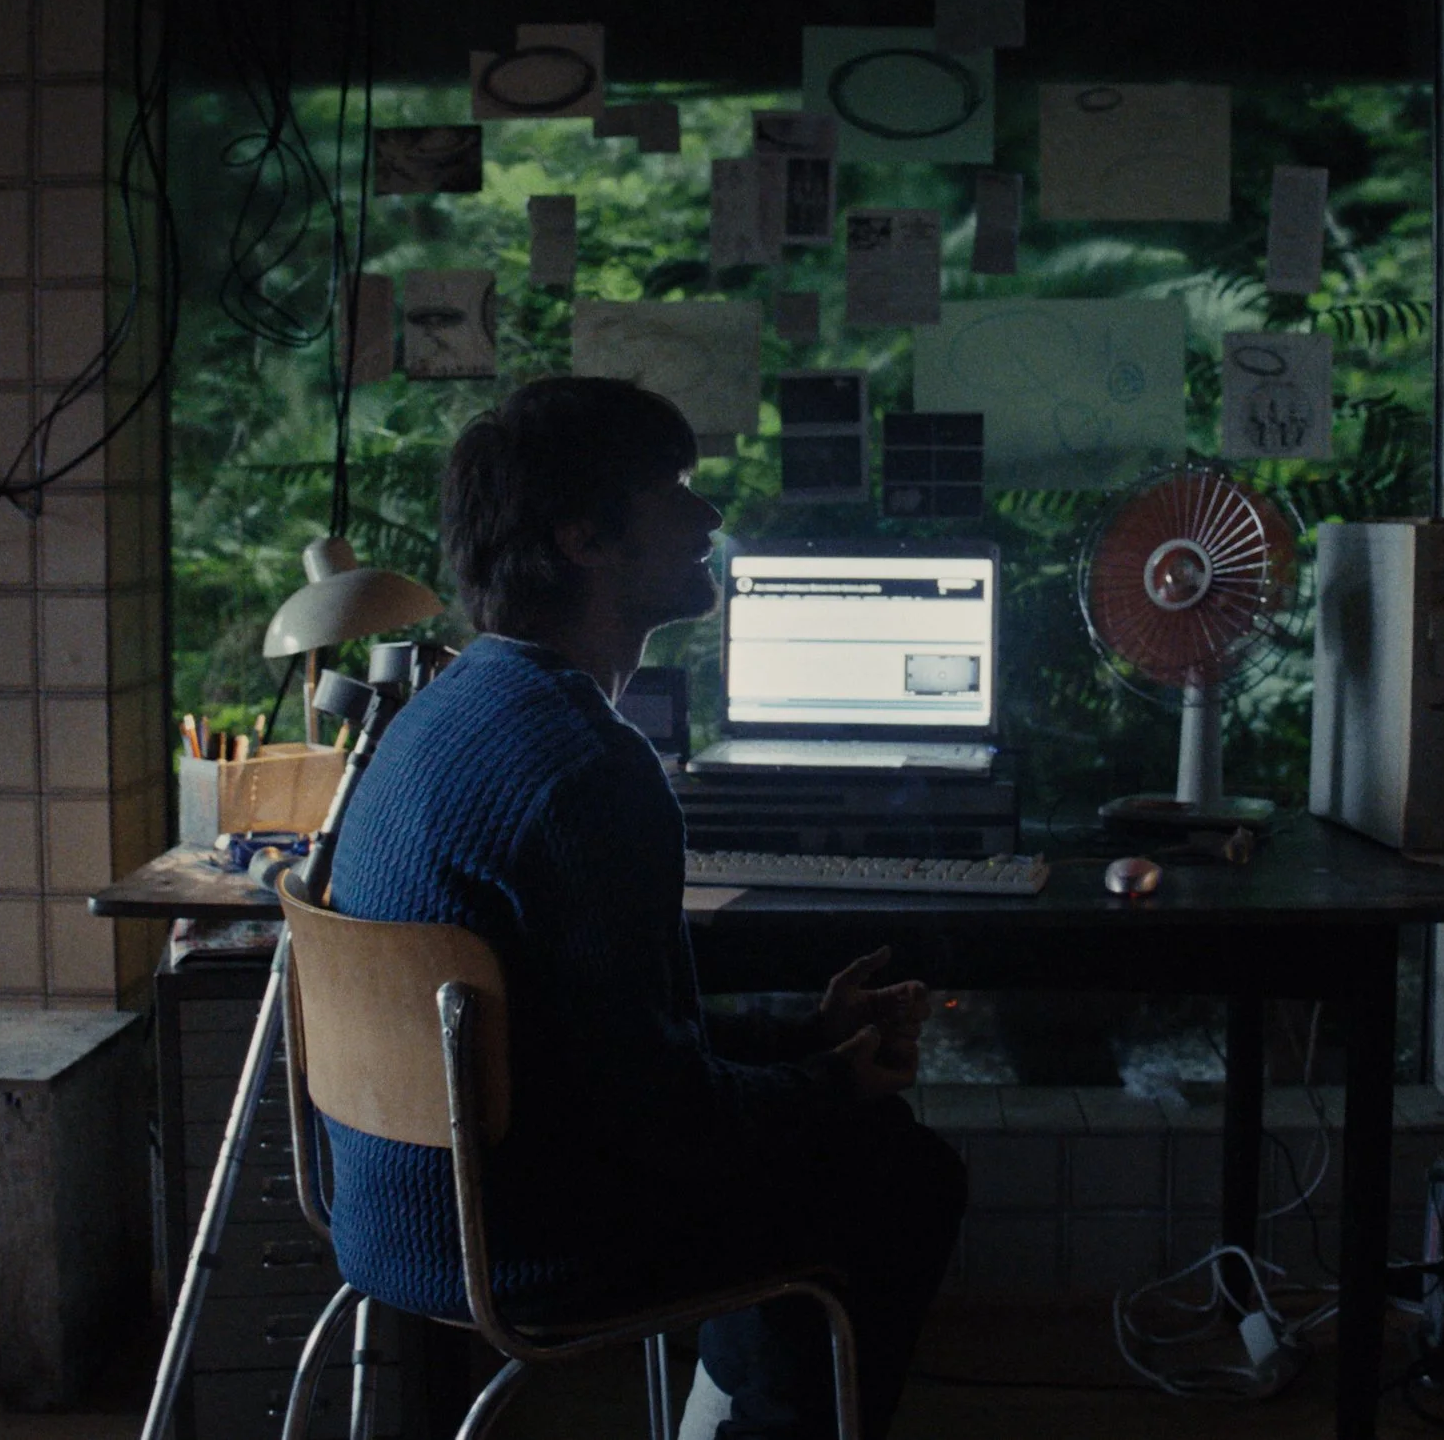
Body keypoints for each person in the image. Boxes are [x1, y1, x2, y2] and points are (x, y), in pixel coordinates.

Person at [324, 375, 966, 1440]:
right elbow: (661, 1118)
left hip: (395, 1211)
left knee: (830, 1132)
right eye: (674, 488)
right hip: (527, 1239)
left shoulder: (439, 714)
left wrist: (807, 1032)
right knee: (897, 1168)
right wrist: (830, 1079)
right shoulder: (584, 766)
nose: (710, 516)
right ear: (585, 536)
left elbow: (589, 1036)